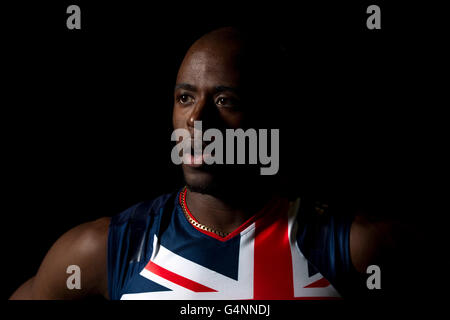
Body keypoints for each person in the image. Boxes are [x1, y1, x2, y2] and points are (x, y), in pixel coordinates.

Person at [9, 26, 407, 300]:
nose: (197, 121)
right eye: (185, 98)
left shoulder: (352, 248)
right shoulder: (106, 249)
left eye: (224, 100)